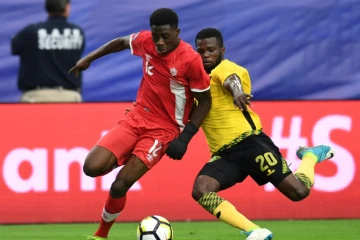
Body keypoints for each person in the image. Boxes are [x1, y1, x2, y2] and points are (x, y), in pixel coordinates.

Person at [69, 8, 211, 240]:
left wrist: (185, 138)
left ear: (177, 32)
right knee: (91, 167)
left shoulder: (190, 60)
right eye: (156, 36)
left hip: (164, 129)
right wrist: (89, 58)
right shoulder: (146, 41)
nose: (160, 42)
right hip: (137, 116)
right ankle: (126, 157)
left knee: (120, 185)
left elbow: (205, 102)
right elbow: (122, 42)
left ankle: (100, 235)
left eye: (165, 36)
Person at [191, 28, 335, 240]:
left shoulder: (226, 67)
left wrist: (238, 91)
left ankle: (311, 155)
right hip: (225, 154)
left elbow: (231, 79)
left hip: (250, 144)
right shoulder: (196, 83)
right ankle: (255, 231)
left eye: (210, 50)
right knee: (201, 189)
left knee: (299, 192)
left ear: (221, 50)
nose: (205, 55)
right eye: (200, 51)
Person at [11, 0, 85, 103]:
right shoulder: (78, 32)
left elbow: (14, 47)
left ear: (47, 8)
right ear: (67, 8)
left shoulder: (30, 32)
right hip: (70, 97)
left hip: (36, 97)